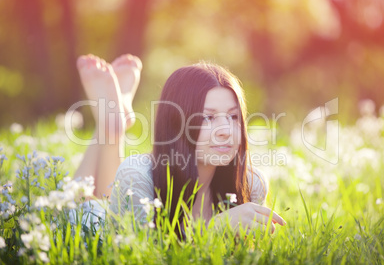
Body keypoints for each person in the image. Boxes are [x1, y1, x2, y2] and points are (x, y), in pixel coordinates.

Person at [73, 54, 286, 234]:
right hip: (95, 227)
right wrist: (214, 229)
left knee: (111, 197)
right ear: (177, 124)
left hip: (121, 208)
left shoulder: (251, 184)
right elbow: (138, 256)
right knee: (80, 202)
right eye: (207, 118)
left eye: (232, 117)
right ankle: (110, 129)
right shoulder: (137, 175)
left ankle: (110, 126)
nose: (226, 131)